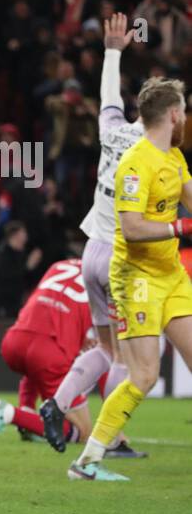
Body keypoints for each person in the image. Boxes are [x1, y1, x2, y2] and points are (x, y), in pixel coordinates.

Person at [68, 77, 192, 481]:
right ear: (173, 115)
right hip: (135, 278)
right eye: (185, 111)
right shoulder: (135, 164)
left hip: (171, 275)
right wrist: (180, 229)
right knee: (143, 375)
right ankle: (87, 459)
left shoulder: (173, 156)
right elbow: (134, 228)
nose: (186, 118)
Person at [39, 13, 145, 458]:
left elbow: (107, 95)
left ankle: (57, 403)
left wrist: (112, 52)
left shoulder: (113, 130)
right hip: (120, 257)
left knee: (103, 347)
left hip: (90, 252)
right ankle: (111, 438)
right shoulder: (152, 153)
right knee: (124, 356)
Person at [0, 259, 96, 446]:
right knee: (82, 432)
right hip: (48, 352)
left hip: (15, 340)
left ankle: (26, 413)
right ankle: (8, 413)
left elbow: (55, 304)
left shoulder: (60, 264)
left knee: (34, 367)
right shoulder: (107, 274)